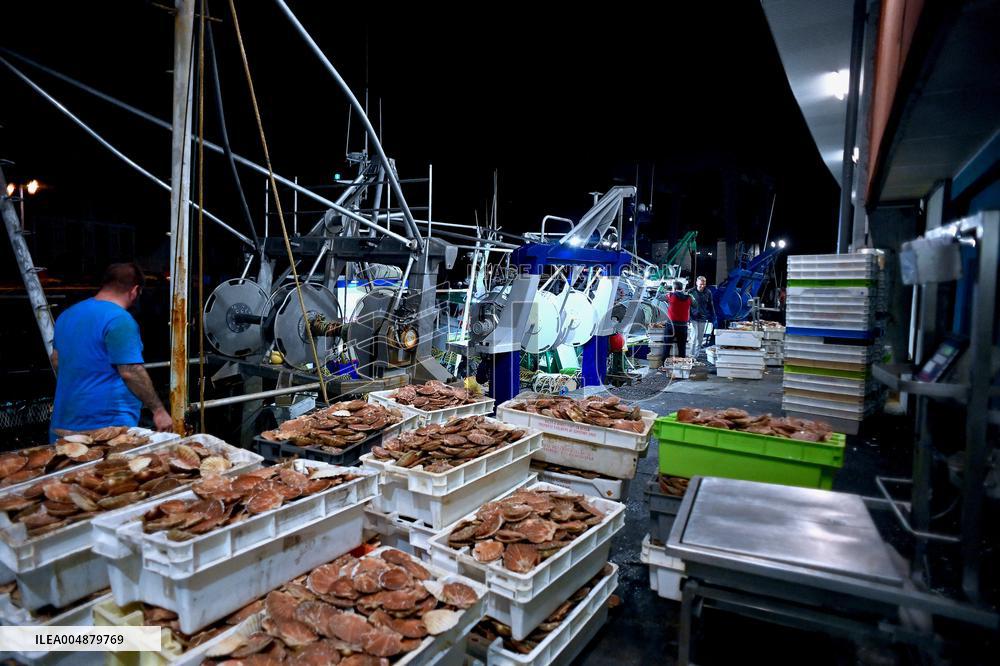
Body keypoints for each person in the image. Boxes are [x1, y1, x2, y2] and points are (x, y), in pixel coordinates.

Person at [49, 263, 172, 441]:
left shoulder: (67, 315)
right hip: (105, 429)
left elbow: (56, 360)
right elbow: (130, 372)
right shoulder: (119, 319)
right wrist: (159, 411)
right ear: (135, 290)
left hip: (63, 424)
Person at [688, 275, 716, 359]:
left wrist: (713, 316)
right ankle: (690, 356)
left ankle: (695, 356)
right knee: (694, 337)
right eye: (700, 284)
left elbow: (711, 304)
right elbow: (687, 306)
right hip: (693, 317)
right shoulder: (691, 291)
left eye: (704, 284)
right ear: (697, 283)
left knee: (700, 339)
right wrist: (688, 317)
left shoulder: (708, 292)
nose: (702, 286)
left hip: (703, 318)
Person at [664, 280, 692, 359]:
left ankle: (664, 365)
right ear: (682, 288)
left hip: (671, 326)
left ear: (674, 288)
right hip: (683, 326)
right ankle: (682, 367)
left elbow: (658, 297)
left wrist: (661, 288)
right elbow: (695, 305)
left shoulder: (671, 296)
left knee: (667, 347)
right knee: (682, 348)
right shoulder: (688, 297)